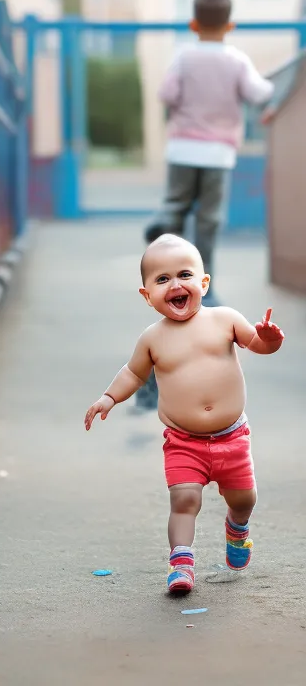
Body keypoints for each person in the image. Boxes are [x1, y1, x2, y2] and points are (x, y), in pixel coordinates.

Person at [84, 235, 284, 594]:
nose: (175, 284)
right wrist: (108, 398)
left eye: (184, 275)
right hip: (184, 442)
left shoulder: (225, 319)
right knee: (184, 499)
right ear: (147, 295)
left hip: (232, 438)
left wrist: (269, 339)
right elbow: (133, 373)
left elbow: (257, 343)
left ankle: (237, 529)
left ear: (203, 283)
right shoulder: (153, 338)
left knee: (244, 499)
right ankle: (181, 563)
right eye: (162, 280)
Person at [134, 0, 275, 413]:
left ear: (194, 24)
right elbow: (259, 93)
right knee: (209, 214)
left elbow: (166, 94)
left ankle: (165, 231)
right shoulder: (235, 61)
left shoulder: (183, 55)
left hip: (183, 147)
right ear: (229, 25)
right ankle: (200, 270)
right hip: (217, 151)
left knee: (177, 203)